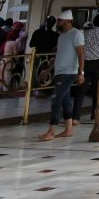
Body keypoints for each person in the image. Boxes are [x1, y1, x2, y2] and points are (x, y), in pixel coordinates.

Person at [38, 10, 84, 141]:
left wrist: (81, 72)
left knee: (56, 99)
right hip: (60, 72)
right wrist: (47, 70)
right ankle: (68, 129)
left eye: (60, 21)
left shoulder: (76, 34)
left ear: (68, 21)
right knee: (65, 100)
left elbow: (81, 54)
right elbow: (58, 55)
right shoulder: (62, 36)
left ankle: (51, 131)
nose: (58, 23)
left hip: (69, 72)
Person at [72, 11, 99, 123]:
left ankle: (75, 117)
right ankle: (94, 114)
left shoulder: (86, 32)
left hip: (85, 63)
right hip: (97, 64)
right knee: (98, 91)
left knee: (81, 90)